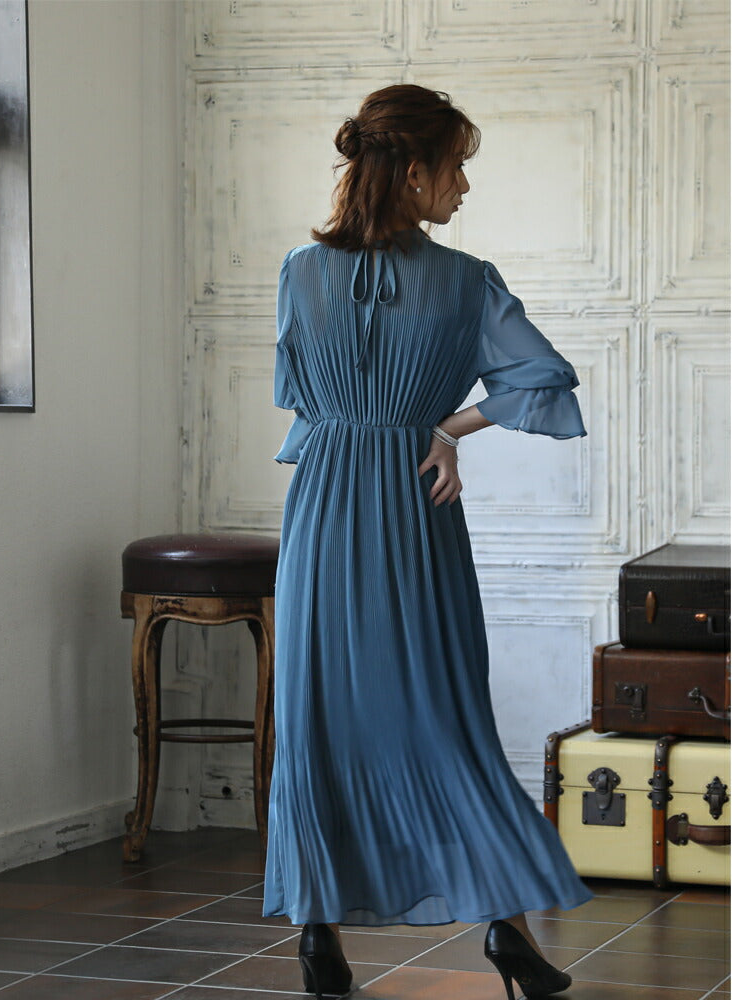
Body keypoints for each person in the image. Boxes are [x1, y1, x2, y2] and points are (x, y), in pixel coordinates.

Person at [261, 84, 593, 1000]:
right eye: (457, 168)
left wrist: (395, 428)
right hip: (411, 508)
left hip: (323, 512)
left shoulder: (299, 271)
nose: (464, 188)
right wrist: (442, 427)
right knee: (445, 718)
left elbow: (302, 405)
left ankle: (318, 939)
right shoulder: (465, 280)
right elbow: (542, 376)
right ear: (413, 172)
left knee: (321, 721)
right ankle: (507, 933)